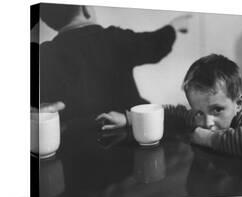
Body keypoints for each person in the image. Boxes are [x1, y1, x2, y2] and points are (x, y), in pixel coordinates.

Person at [39, 3, 191, 123]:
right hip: (126, 130)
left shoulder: (45, 53)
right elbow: (153, 45)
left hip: (74, 140)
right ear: (85, 9)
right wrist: (173, 26)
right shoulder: (113, 38)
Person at [99, 54, 242, 157]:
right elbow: (173, 114)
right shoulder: (196, 119)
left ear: (238, 104)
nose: (207, 123)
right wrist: (129, 118)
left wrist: (205, 138)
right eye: (198, 112)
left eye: (217, 110)